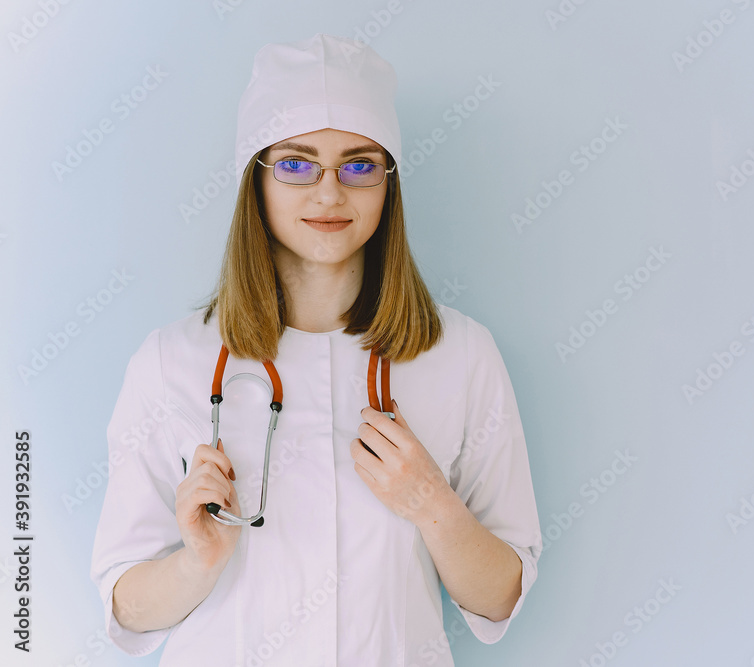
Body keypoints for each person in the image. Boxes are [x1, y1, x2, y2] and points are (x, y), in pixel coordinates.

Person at [90, 33, 542, 666]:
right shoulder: (170, 362)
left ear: (388, 184)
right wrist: (197, 563)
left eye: (359, 165)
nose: (330, 194)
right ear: (257, 180)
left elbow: (501, 598)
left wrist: (432, 505)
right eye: (297, 164)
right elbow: (124, 606)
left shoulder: (461, 354)